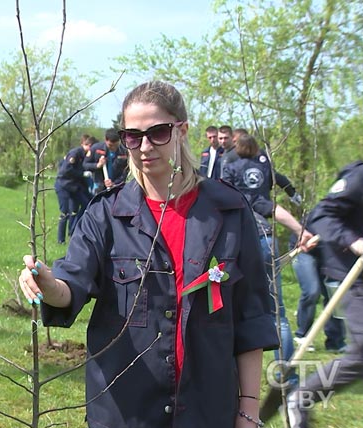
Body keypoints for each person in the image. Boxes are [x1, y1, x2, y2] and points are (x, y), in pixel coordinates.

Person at [19, 81, 278, 427]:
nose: (144, 146)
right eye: (132, 136)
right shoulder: (106, 214)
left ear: (182, 131)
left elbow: (251, 315)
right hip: (126, 410)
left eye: (157, 133)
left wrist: (248, 409)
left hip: (207, 408)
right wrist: (48, 285)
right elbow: (70, 284)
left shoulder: (228, 211)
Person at [222, 133, 313, 377]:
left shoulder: (229, 168)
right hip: (263, 238)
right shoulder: (263, 166)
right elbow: (269, 204)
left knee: (225, 311)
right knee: (277, 313)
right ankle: (288, 377)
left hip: (236, 242)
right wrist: (300, 229)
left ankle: (227, 377)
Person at [288, 161, 363, 428]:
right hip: (357, 277)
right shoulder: (359, 176)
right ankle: (301, 398)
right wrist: (354, 241)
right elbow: (322, 215)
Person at [290, 225, 346, 353]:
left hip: (330, 251)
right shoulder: (325, 210)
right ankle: (303, 335)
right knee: (312, 290)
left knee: (334, 292)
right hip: (304, 248)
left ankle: (335, 341)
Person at [55, 136, 92, 244]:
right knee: (65, 212)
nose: (89, 148)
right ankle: (60, 240)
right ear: (83, 144)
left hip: (74, 187)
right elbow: (66, 170)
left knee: (80, 208)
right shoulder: (75, 153)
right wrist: (82, 174)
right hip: (64, 185)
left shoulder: (84, 155)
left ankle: (72, 233)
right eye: (87, 145)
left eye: (90, 146)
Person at [83, 128, 128, 193]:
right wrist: (97, 165)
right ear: (106, 140)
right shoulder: (96, 149)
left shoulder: (124, 151)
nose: (113, 148)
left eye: (116, 145)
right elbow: (85, 164)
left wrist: (115, 183)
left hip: (116, 187)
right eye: (110, 145)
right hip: (99, 186)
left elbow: (126, 171)